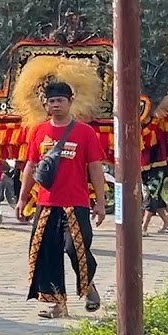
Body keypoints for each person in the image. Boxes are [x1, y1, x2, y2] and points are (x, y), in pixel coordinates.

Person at [18, 81, 106, 319]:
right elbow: (31, 166)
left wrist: (100, 202)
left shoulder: (85, 132)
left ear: (70, 101)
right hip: (46, 204)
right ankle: (57, 304)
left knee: (75, 247)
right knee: (46, 252)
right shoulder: (39, 132)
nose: (56, 105)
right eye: (52, 101)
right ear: (46, 104)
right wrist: (22, 198)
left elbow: (95, 168)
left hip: (76, 203)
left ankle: (87, 285)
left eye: (60, 100)